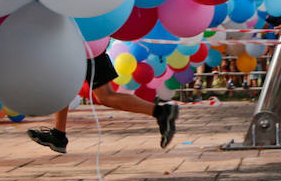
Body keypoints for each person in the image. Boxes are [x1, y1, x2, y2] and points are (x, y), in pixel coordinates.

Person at [28, 53, 179, 154]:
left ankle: (161, 112)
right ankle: (58, 135)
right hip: (89, 41)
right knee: (72, 87)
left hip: (84, 41)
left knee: (102, 95)